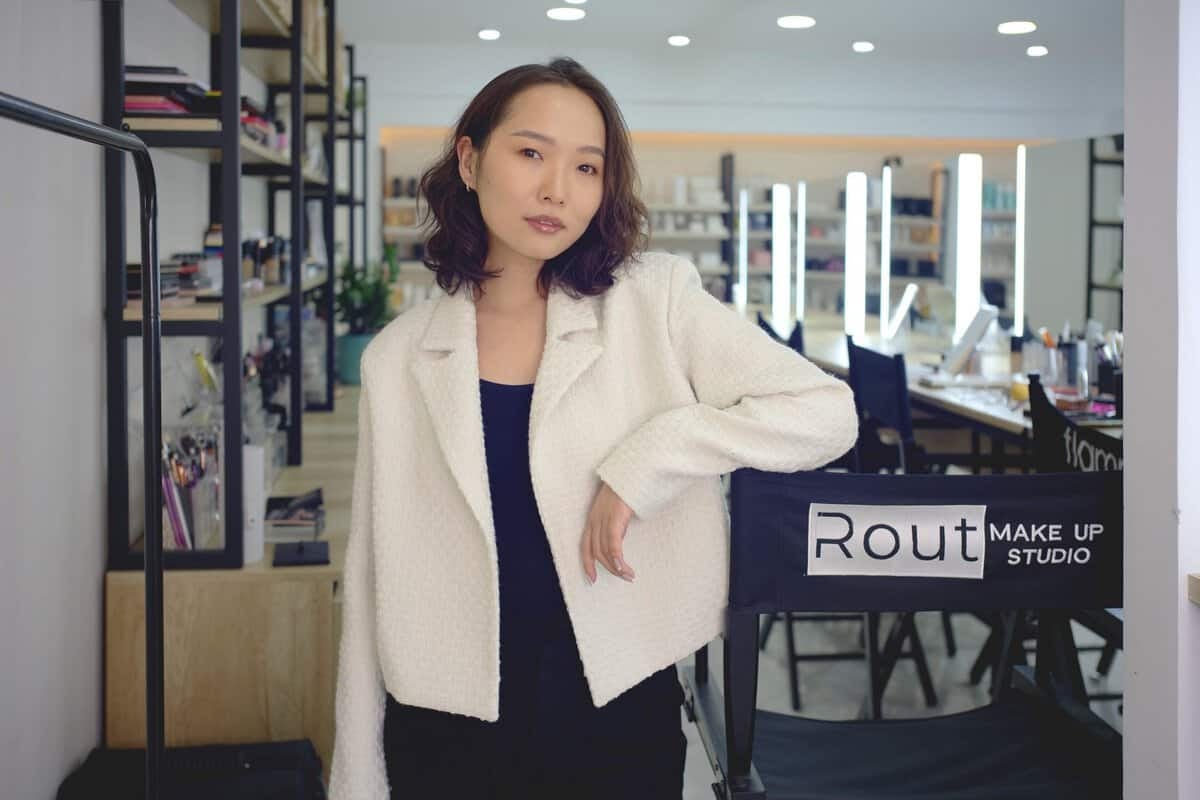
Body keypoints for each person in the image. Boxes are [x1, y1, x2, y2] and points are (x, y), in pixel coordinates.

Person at [328, 57, 858, 800]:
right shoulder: (397, 358)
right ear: (471, 159)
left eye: (586, 166)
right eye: (531, 153)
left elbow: (825, 413)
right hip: (445, 728)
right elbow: (372, 582)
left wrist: (650, 460)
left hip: (614, 709)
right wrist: (355, 780)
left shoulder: (653, 301)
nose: (556, 189)